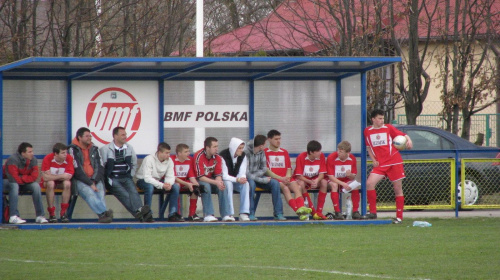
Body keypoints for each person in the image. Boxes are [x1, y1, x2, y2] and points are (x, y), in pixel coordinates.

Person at [364, 109, 413, 224]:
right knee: (369, 183)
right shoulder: (367, 131)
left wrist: (409, 140)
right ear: (373, 119)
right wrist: (373, 159)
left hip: (394, 161)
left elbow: (403, 135)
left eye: (383, 118)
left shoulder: (388, 128)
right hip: (380, 164)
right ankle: (372, 213)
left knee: (397, 189)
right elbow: (369, 147)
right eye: (379, 118)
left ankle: (399, 217)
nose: (382, 121)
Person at [100, 126, 153, 222]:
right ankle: (142, 215)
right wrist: (107, 179)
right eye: (123, 134)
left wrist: (130, 175)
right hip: (113, 179)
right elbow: (102, 166)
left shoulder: (129, 148)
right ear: (115, 136)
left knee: (134, 194)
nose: (125, 136)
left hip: (126, 177)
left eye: (126, 134)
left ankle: (141, 214)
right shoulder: (105, 149)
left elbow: (134, 163)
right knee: (125, 195)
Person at [68, 127, 113, 223]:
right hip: (80, 180)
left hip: (95, 179)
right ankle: (104, 213)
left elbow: (100, 166)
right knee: (90, 193)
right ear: (79, 137)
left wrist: (94, 180)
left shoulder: (94, 148)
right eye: (87, 136)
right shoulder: (72, 149)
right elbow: (77, 169)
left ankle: (103, 216)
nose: (90, 138)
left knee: (100, 194)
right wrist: (89, 183)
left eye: (90, 136)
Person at [264, 130, 311, 220]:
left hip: (286, 178)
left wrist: (288, 177)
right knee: (285, 189)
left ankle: (302, 208)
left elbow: (289, 168)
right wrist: (281, 178)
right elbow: (267, 170)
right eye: (276, 139)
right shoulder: (265, 152)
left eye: (279, 139)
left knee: (297, 187)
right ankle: (299, 212)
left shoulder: (284, 152)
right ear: (269, 139)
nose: (278, 141)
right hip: (276, 179)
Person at [3, 142, 48, 224]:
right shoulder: (13, 159)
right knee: (14, 185)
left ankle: (40, 215)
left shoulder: (33, 160)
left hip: (21, 182)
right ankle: (13, 216)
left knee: (36, 186)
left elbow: (34, 176)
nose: (32, 154)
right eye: (29, 152)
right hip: (7, 182)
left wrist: (22, 178)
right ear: (23, 153)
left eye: (32, 151)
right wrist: (25, 178)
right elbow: (13, 178)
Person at [136, 142, 182, 222]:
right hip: (142, 180)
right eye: (166, 153)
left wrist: (169, 184)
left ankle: (172, 214)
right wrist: (162, 185)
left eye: (169, 153)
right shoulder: (149, 159)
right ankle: (147, 214)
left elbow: (170, 175)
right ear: (160, 152)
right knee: (149, 187)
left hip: (157, 181)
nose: (169, 155)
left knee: (175, 186)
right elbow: (147, 178)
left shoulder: (169, 161)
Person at [245, 134, 286, 221]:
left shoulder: (261, 152)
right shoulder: (246, 152)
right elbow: (246, 173)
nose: (266, 146)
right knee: (251, 185)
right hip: (248, 178)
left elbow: (263, 168)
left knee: (275, 183)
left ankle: (278, 213)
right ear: (260, 146)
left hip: (258, 176)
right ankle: (250, 213)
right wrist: (262, 180)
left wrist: (257, 176)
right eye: (265, 144)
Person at [194, 137, 230, 222]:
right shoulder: (199, 156)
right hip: (199, 180)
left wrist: (219, 182)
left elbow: (218, 175)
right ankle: (208, 214)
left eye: (217, 146)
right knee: (206, 186)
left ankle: (225, 215)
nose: (217, 149)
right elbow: (200, 177)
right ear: (207, 148)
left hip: (212, 179)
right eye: (214, 147)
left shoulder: (217, 157)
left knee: (222, 186)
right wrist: (216, 182)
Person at [293, 140, 328, 220]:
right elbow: (299, 176)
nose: (320, 152)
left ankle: (319, 212)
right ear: (311, 152)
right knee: (301, 184)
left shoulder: (321, 156)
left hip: (315, 180)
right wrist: (310, 181)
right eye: (318, 151)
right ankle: (313, 212)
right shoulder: (301, 157)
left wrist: (316, 180)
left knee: (324, 182)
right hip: (304, 180)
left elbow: (322, 174)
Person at [326, 140, 361, 220]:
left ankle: (355, 211)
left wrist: (350, 175)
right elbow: (331, 177)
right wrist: (343, 184)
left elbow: (353, 176)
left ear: (347, 153)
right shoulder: (331, 157)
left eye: (341, 151)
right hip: (334, 180)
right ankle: (337, 212)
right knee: (334, 185)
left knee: (355, 186)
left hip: (345, 181)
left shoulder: (352, 158)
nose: (338, 153)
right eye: (338, 150)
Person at [40, 143, 74, 223]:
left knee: (67, 184)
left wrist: (53, 176)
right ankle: (52, 213)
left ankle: (63, 213)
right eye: (63, 153)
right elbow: (45, 178)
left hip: (60, 183)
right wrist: (61, 176)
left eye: (66, 152)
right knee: (51, 183)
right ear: (56, 154)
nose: (65, 155)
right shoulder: (48, 158)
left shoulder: (69, 158)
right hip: (48, 183)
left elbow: (68, 176)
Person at [220, 137, 251, 221]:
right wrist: (237, 180)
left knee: (246, 184)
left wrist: (242, 179)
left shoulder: (243, 156)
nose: (241, 150)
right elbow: (224, 175)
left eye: (242, 148)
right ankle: (229, 213)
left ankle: (244, 213)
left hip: (236, 180)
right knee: (228, 184)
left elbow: (242, 172)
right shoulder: (223, 155)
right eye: (239, 148)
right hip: (226, 180)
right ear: (234, 147)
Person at [171, 143, 202, 221]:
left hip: (186, 182)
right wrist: (186, 184)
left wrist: (195, 184)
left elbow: (191, 176)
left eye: (188, 151)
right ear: (179, 153)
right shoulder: (172, 159)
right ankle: (177, 214)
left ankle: (192, 214)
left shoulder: (190, 160)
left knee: (195, 188)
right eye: (186, 152)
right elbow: (173, 177)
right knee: (176, 186)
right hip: (175, 182)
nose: (188, 153)